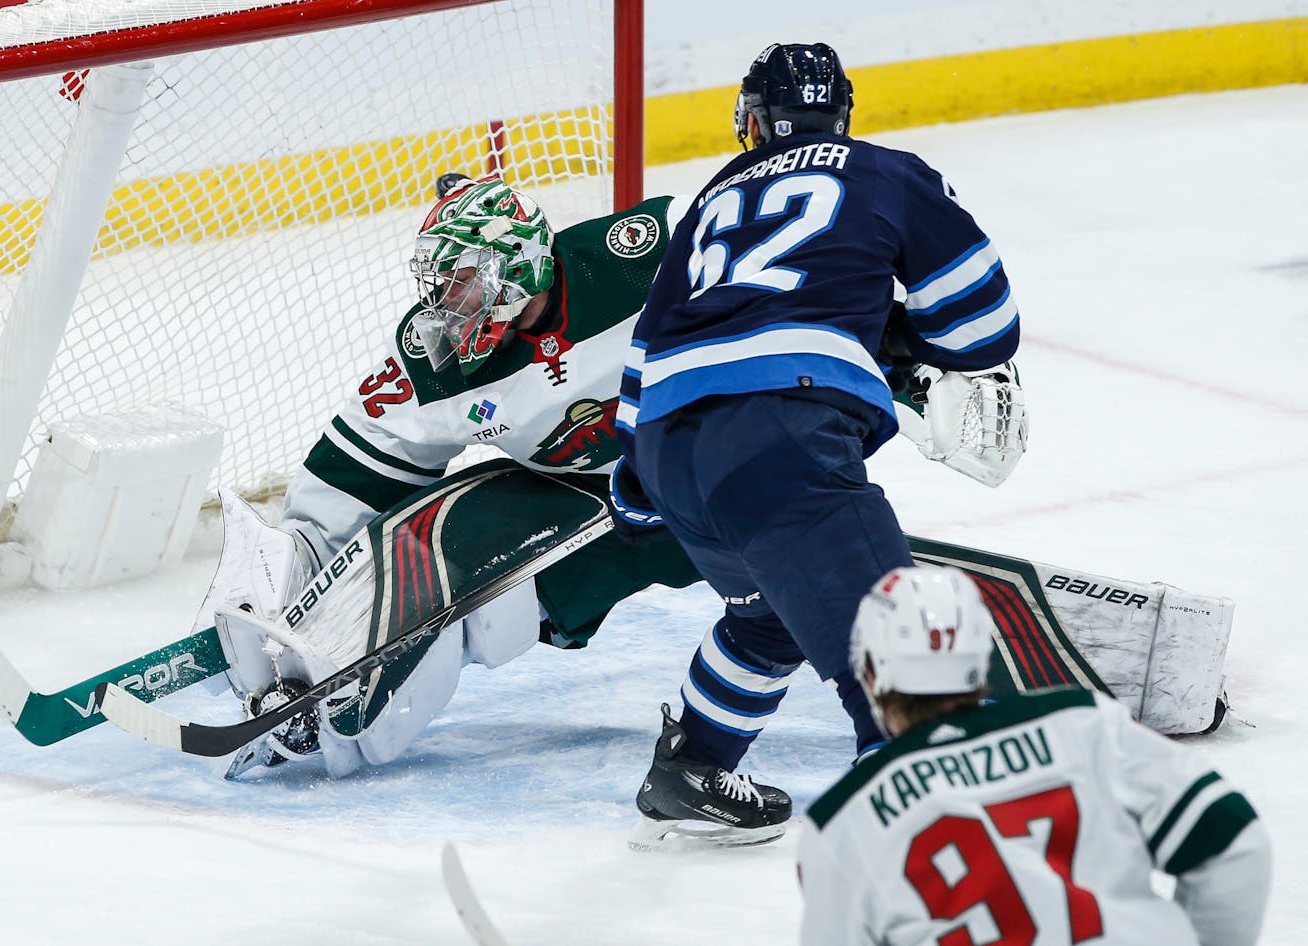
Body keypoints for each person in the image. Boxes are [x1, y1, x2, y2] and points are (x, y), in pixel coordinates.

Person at [616, 41, 1028, 848]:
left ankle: (690, 769)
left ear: (754, 120)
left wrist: (639, 485)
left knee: (771, 616)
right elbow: (983, 327)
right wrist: (895, 332)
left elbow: (646, 343)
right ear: (841, 112)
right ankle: (919, 850)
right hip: (779, 431)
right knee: (894, 645)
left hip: (667, 445)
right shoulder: (885, 171)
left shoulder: (710, 194)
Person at [197, 174, 705, 777]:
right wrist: (300, 566)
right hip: (586, 494)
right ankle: (333, 711)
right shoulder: (436, 353)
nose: (444, 302)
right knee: (455, 563)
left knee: (813, 595)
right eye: (438, 283)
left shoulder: (640, 254)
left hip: (719, 468)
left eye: (460, 282)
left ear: (514, 268)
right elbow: (360, 461)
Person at [799, 564, 1271, 946]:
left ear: (871, 672)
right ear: (983, 655)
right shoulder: (1083, 723)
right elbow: (1234, 840)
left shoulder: (841, 824)